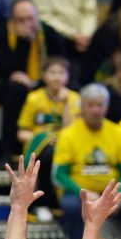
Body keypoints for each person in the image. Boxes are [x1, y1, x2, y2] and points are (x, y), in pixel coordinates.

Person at [52, 84, 121, 239]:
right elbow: (59, 175)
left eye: (100, 105)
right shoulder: (68, 134)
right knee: (72, 207)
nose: (96, 110)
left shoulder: (118, 132)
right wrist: (84, 192)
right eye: (91, 105)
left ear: (107, 107)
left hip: (110, 192)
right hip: (79, 194)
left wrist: (120, 195)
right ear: (81, 107)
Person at [0, 0, 67, 158]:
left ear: (37, 16)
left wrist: (43, 79)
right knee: (16, 90)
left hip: (44, 82)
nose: (28, 24)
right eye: (21, 20)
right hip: (11, 85)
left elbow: (60, 63)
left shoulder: (48, 33)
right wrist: (23, 42)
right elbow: (6, 68)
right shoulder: (3, 33)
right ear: (13, 20)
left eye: (30, 18)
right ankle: (8, 151)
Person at [16, 57, 80, 218]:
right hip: (39, 146)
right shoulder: (34, 98)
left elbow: (73, 130)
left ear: (67, 77)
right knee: (47, 153)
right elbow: (22, 132)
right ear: (44, 76)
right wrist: (43, 139)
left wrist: (65, 103)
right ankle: (42, 203)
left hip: (67, 144)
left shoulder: (75, 99)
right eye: (52, 72)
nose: (57, 77)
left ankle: (59, 202)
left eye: (61, 73)